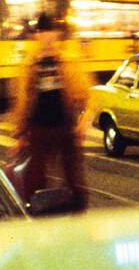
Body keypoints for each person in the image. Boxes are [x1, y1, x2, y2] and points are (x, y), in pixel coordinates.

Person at [11, 17, 89, 211]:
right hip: (39, 127)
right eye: (41, 32)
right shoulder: (29, 64)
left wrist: (82, 123)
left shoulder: (68, 61)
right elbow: (22, 100)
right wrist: (19, 134)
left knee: (73, 179)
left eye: (49, 32)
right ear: (36, 35)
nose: (46, 36)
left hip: (65, 126)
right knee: (35, 178)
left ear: (56, 34)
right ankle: (37, 218)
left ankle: (79, 216)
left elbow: (85, 93)